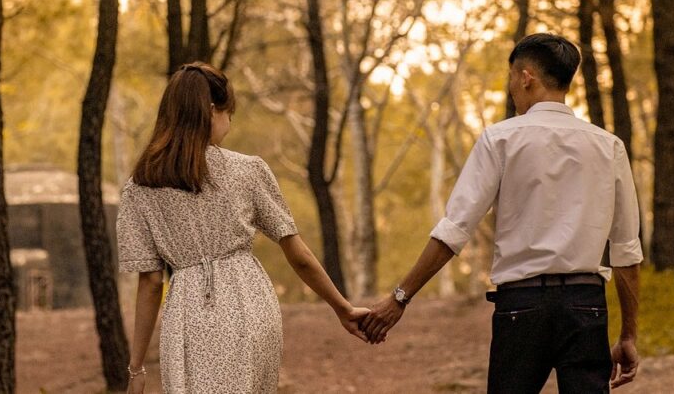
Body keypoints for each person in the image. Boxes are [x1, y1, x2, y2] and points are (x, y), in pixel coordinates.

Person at [361, 33, 643, 393]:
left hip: (521, 306)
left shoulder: (500, 139)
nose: (511, 87)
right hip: (585, 306)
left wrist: (399, 298)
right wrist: (628, 335)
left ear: (526, 77)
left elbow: (454, 230)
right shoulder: (609, 147)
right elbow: (626, 252)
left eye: (511, 77)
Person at [117, 62, 369, 393]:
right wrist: (342, 307)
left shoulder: (140, 186)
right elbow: (297, 253)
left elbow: (150, 283)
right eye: (227, 113)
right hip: (248, 303)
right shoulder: (246, 171)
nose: (230, 123)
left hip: (186, 317)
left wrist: (136, 369)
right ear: (210, 111)